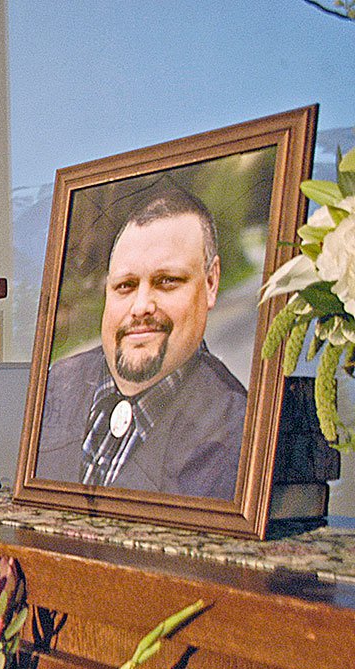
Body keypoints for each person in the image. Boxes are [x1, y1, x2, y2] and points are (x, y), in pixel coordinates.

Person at [37, 188, 247, 499]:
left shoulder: (240, 429)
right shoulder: (56, 385)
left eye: (167, 281)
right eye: (125, 285)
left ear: (211, 282)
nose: (140, 307)